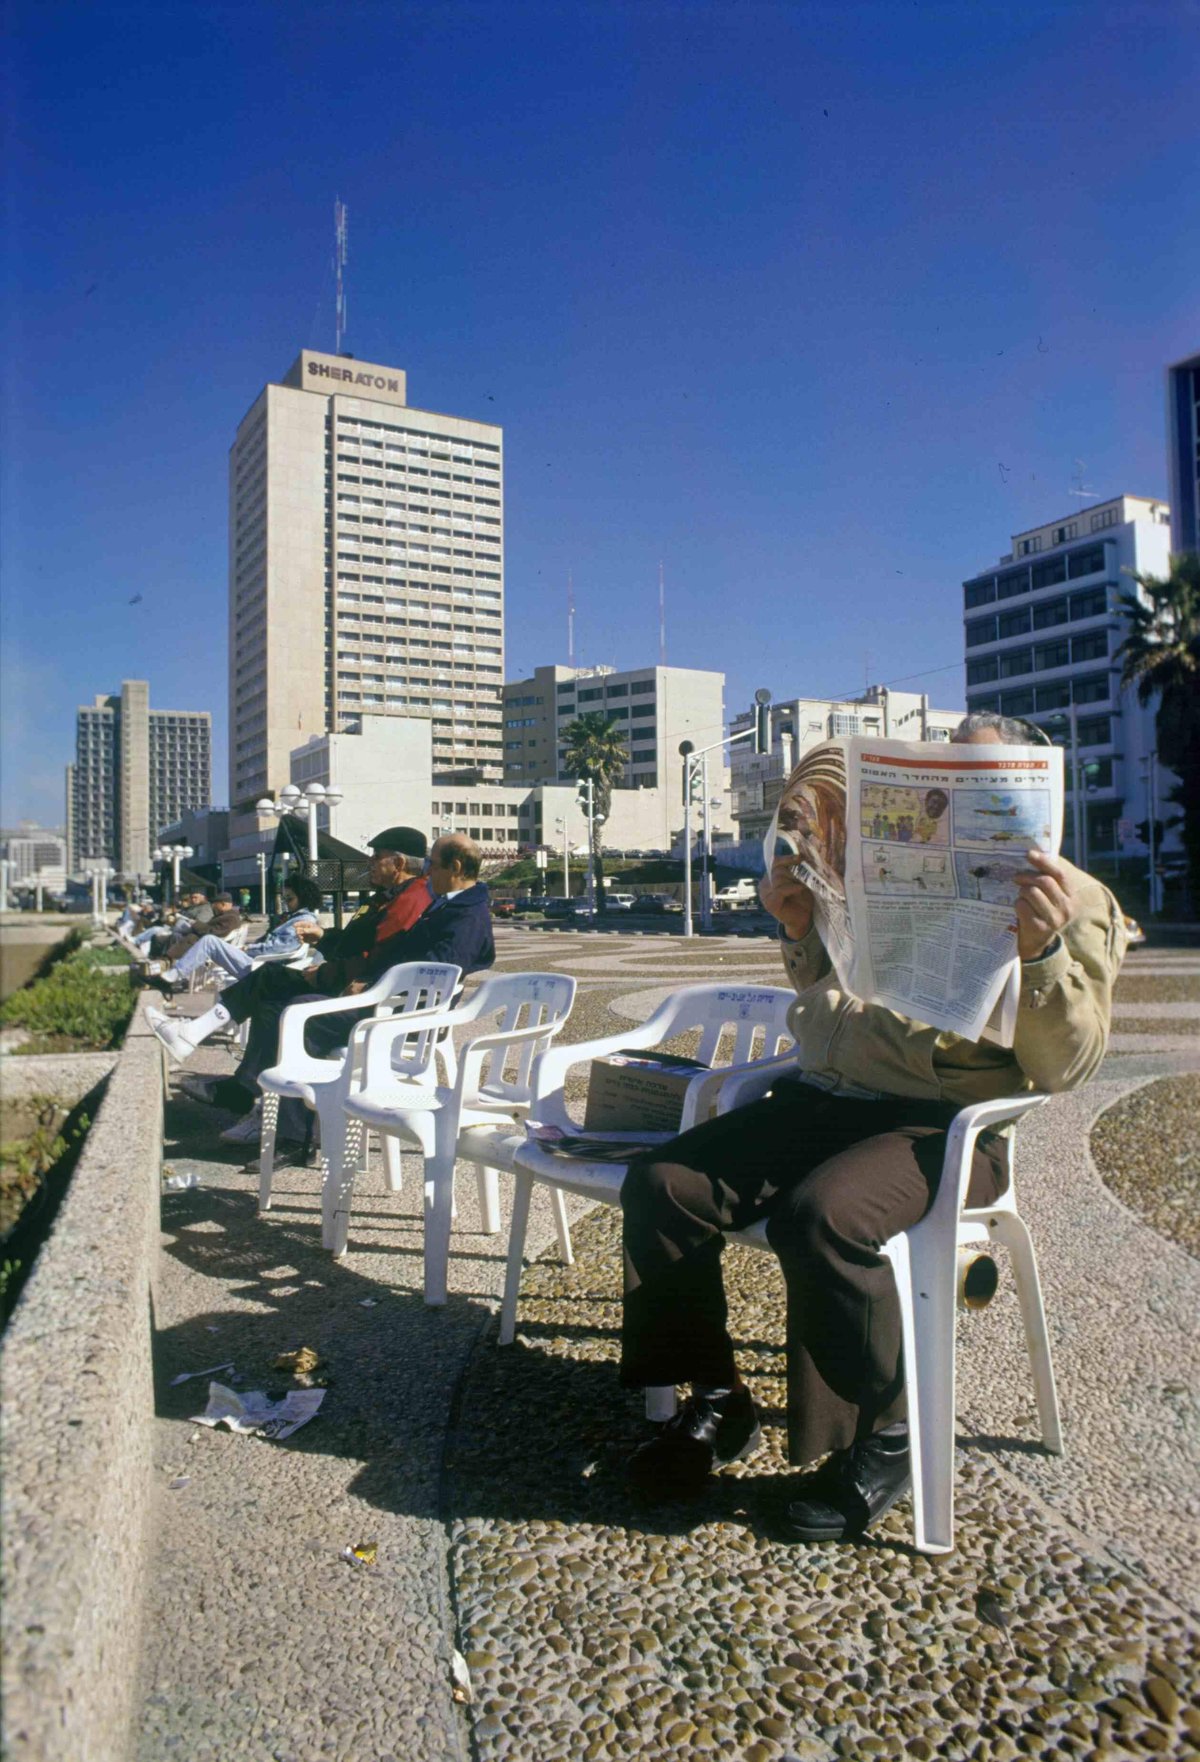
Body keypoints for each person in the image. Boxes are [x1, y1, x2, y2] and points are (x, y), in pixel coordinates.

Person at [618, 711, 1126, 1541]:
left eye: (990, 790)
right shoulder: (877, 873)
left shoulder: (1077, 901)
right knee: (663, 1183)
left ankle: (884, 1435)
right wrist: (798, 931)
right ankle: (715, 1399)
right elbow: (831, 998)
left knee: (824, 1215)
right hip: (830, 1099)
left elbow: (1067, 1066)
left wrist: (1040, 957)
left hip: (946, 1125)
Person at [147, 832, 494, 1147]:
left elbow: (432, 968)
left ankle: (283, 1126)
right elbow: (397, 955)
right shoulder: (448, 903)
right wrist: (334, 952)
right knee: (279, 1000)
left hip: (396, 1016)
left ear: (456, 866)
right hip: (381, 1000)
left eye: (432, 863)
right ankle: (272, 1115)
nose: (427, 870)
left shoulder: (460, 910)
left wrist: (363, 983)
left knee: (294, 1011)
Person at [144, 877, 322, 993]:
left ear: (303, 897)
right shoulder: (296, 918)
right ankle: (173, 975)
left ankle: (173, 976)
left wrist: (248, 948)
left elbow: (279, 947)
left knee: (209, 942)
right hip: (263, 964)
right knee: (208, 942)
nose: (286, 903)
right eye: (285, 899)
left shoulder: (303, 920)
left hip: (263, 968)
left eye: (289, 899)